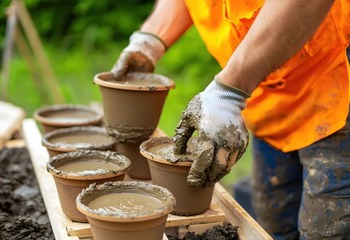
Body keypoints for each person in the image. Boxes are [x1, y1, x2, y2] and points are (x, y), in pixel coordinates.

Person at [110, 0, 350, 239]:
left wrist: (229, 91)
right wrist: (150, 40)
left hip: (333, 76)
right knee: (274, 226)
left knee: (325, 232)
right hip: (264, 88)